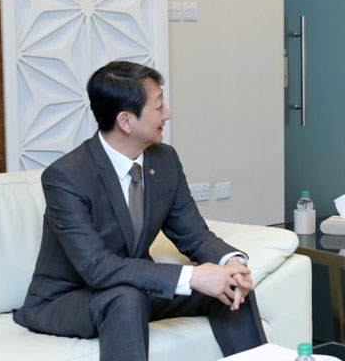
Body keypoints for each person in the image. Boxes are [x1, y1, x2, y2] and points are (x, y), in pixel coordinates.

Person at [13, 61, 266, 360]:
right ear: (126, 121)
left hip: (137, 288)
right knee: (125, 298)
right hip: (71, 298)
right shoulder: (66, 177)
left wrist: (231, 263)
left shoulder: (164, 160)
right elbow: (96, 267)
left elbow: (194, 235)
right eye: (158, 107)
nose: (167, 114)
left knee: (230, 286)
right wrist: (192, 276)